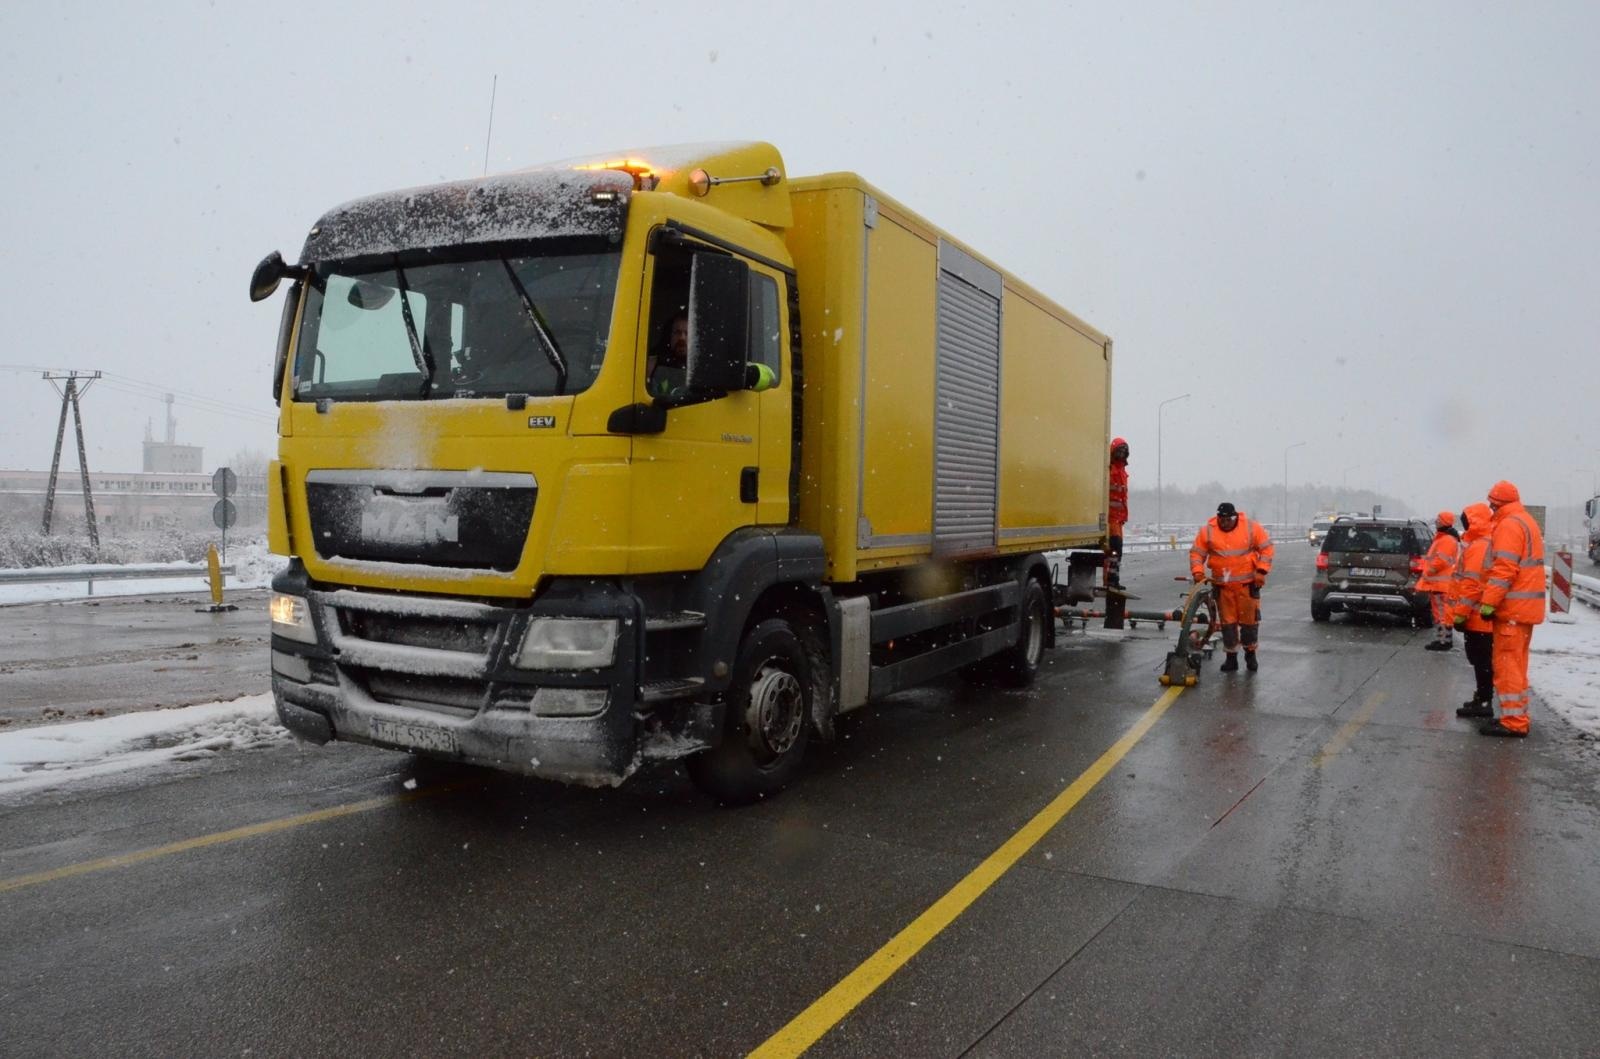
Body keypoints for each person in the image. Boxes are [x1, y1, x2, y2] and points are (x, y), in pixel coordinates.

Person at [1475, 480, 1545, 738]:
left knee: (1507, 666)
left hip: (1512, 609)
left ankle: (1513, 721)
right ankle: (1514, 716)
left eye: (1492, 503)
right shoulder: (1524, 521)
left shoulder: (1509, 525)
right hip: (1524, 609)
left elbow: (1504, 570)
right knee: (1515, 664)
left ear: (1498, 502)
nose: (1490, 507)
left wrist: (1488, 603)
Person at [1190, 502, 1275, 672]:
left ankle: (1250, 656)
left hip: (1247, 587)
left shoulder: (1251, 528)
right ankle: (1231, 659)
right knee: (1228, 625)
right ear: (1218, 518)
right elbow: (1197, 553)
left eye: (1228, 519)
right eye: (1222, 519)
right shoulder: (1208, 531)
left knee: (1249, 624)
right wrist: (1197, 572)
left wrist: (1261, 571)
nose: (1225, 523)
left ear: (1234, 517)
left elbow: (1266, 549)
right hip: (1223, 588)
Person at [1450, 503, 1496, 718]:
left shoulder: (1479, 547)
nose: (1464, 524)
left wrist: (1461, 614)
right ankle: (1483, 699)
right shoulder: (1483, 543)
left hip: (1478, 617)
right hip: (1480, 615)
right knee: (1481, 661)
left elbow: (1472, 585)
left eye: (1466, 520)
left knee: (1482, 662)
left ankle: (1484, 701)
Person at [1417, 510, 1461, 651]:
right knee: (1441, 613)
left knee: (1442, 614)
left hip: (1440, 584)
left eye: (1438, 520)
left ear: (1443, 522)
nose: (1436, 522)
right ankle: (1442, 640)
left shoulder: (1446, 540)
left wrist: (1429, 571)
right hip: (1440, 583)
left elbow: (1441, 560)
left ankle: (1444, 641)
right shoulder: (1446, 538)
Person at [646, 310, 689, 399]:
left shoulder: (702, 369)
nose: (682, 338)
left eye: (687, 333)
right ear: (670, 336)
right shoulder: (652, 365)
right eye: (677, 332)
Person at [1106, 437, 1130, 588]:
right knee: (1115, 549)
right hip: (1111, 518)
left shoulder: (1122, 472)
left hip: (1118, 519)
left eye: (1124, 452)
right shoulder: (1110, 470)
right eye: (1119, 451)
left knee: (1117, 551)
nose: (1121, 454)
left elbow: (1122, 497)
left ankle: (1113, 579)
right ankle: (1112, 579)